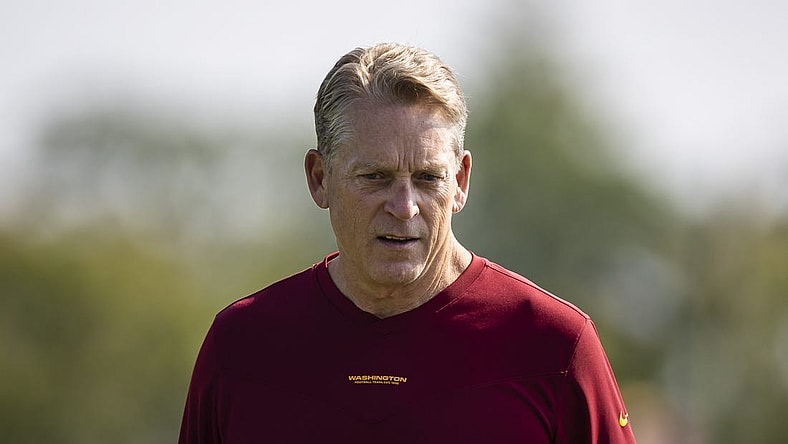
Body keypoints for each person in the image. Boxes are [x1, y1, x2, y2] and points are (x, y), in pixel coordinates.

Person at [178, 43, 636, 443]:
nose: (404, 205)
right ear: (320, 179)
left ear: (460, 181)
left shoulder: (555, 347)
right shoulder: (241, 346)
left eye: (427, 178)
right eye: (375, 177)